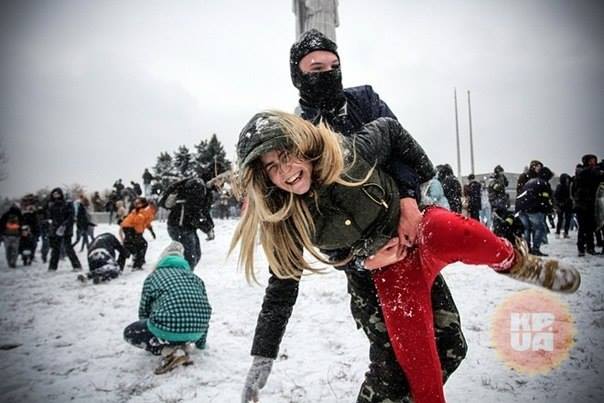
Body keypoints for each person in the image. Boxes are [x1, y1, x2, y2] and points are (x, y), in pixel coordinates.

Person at [232, 111, 581, 403]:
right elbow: (280, 288)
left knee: (468, 234)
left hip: (420, 230)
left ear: (303, 146)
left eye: (287, 155)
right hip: (391, 273)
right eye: (273, 168)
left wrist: (418, 192)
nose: (287, 170)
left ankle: (518, 264)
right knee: (420, 367)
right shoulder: (288, 219)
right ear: (264, 180)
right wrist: (263, 357)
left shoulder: (351, 154)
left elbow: (391, 129)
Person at [238, 29, 467, 403]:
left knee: (449, 346)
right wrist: (359, 259)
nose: (328, 73)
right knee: (392, 364)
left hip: (405, 238)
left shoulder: (363, 103)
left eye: (334, 65)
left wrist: (410, 200)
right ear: (298, 75)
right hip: (366, 267)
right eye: (316, 68)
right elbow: (292, 263)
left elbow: (398, 146)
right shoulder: (296, 139)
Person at [123, 241, 212, 374]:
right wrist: (200, 344)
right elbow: (205, 309)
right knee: (180, 324)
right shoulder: (196, 278)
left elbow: (144, 310)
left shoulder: (153, 277)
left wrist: (151, 332)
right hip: (196, 331)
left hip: (167, 329)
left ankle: (169, 351)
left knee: (130, 333)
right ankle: (181, 342)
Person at [158, 177, 211, 270]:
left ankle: (183, 274)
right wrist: (208, 229)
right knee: (190, 257)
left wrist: (207, 228)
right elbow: (195, 215)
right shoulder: (194, 192)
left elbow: (197, 215)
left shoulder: (191, 190)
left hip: (185, 227)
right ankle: (182, 277)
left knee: (195, 255)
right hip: (180, 227)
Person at [515, 166, 554, 256]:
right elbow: (545, 198)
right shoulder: (543, 183)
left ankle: (527, 248)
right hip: (534, 209)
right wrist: (548, 209)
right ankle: (535, 249)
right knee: (539, 228)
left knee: (527, 229)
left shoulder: (530, 182)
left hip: (521, 208)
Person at [572, 154, 603, 256]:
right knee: (582, 228)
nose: (592, 163)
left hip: (592, 205)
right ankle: (581, 248)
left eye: (594, 161)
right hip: (581, 205)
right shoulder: (581, 171)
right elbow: (587, 174)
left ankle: (590, 248)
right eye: (590, 161)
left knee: (590, 228)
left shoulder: (594, 173)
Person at [47, 188, 82, 271]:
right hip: (56, 228)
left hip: (66, 229)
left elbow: (71, 216)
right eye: (54, 194)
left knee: (68, 247)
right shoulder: (52, 205)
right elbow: (50, 216)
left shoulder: (67, 203)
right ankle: (52, 267)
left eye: (57, 194)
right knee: (55, 249)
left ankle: (77, 266)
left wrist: (64, 225)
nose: (56, 195)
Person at [120, 197, 156, 270]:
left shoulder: (146, 211)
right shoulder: (145, 211)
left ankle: (135, 261)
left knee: (135, 245)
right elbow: (139, 221)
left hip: (130, 228)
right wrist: (138, 233)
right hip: (130, 229)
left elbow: (146, 222)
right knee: (140, 245)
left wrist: (151, 231)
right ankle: (137, 263)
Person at [554, 173, 573, 239]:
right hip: (564, 205)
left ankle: (560, 232)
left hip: (564, 205)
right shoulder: (566, 187)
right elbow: (556, 196)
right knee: (563, 219)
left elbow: (556, 196)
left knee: (562, 219)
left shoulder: (561, 186)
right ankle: (563, 232)